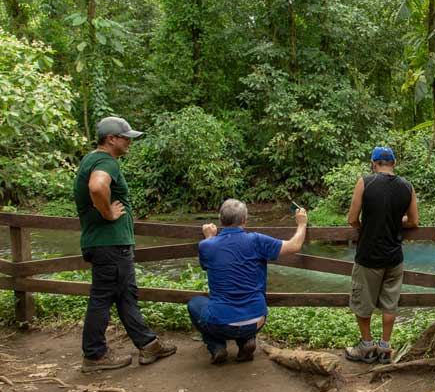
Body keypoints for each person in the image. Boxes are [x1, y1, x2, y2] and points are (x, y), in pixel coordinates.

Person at [74, 116, 177, 373]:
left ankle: (148, 345)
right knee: (103, 298)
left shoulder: (91, 159)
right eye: (126, 137)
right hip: (110, 245)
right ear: (111, 139)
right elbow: (97, 187)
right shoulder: (105, 161)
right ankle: (94, 355)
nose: (130, 141)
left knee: (124, 296)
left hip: (105, 244)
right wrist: (108, 213)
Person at [188, 199, 308, 364]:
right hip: (257, 320)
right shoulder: (257, 241)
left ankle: (217, 347)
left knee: (195, 304)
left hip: (221, 324)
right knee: (247, 304)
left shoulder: (206, 246)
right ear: (245, 220)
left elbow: (206, 264)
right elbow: (294, 246)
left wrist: (209, 238)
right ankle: (246, 341)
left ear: (220, 219)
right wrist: (302, 224)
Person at [345, 146, 419, 364]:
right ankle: (385, 347)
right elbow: (414, 221)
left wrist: (364, 227)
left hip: (368, 255)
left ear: (373, 163)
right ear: (394, 163)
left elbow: (351, 219)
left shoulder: (365, 183)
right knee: (390, 302)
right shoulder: (407, 186)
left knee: (362, 302)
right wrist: (397, 221)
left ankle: (366, 346)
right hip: (394, 256)